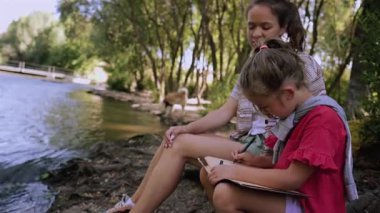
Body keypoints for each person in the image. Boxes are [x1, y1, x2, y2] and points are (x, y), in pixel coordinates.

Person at [106, 0, 326, 212]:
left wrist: (271, 157)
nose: (256, 33)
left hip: (270, 150)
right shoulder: (251, 68)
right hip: (245, 143)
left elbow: (314, 113)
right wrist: (186, 127)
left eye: (265, 26)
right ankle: (133, 203)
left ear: (283, 27)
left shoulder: (302, 64)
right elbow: (225, 111)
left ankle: (137, 209)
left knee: (181, 145)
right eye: (251, 26)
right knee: (173, 140)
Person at [206, 38, 358, 212]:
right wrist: (257, 161)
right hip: (293, 195)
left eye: (265, 107)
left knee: (225, 194)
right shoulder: (295, 115)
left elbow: (292, 178)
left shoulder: (323, 119)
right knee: (210, 175)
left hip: (311, 205)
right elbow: (288, 162)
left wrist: (234, 172)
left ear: (287, 94)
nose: (265, 113)